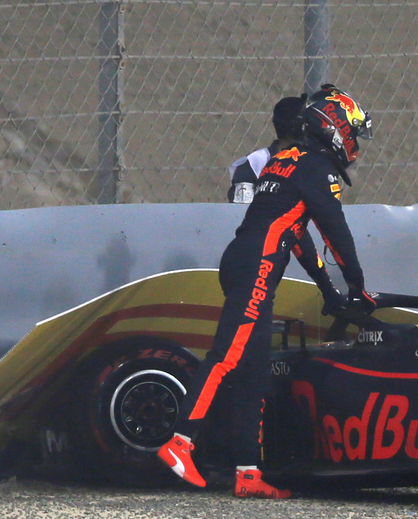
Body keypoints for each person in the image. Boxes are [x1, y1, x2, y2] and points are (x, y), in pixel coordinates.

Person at [160, 84, 376, 498]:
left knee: (254, 371)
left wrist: (329, 290)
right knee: (226, 357)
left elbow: (297, 235)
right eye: (352, 134)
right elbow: (334, 233)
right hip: (257, 267)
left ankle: (248, 472)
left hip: (245, 261)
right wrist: (357, 286)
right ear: (333, 129)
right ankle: (179, 442)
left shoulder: (285, 160)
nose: (355, 145)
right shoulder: (318, 169)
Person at [227, 94, 343, 314]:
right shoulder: (254, 164)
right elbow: (239, 218)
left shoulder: (311, 165)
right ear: (298, 127)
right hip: (253, 263)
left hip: (283, 257)